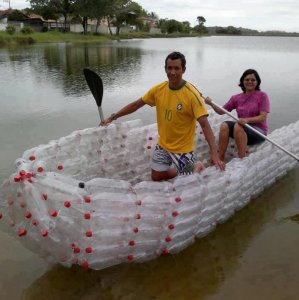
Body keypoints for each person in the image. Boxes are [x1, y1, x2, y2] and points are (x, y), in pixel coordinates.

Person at [100, 51, 225, 181]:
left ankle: (196, 166)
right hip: (163, 145)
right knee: (156, 177)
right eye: (169, 68)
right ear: (165, 68)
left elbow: (205, 125)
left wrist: (214, 153)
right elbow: (136, 105)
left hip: (183, 149)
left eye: (177, 68)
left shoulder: (192, 95)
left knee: (188, 183)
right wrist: (113, 117)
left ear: (184, 70)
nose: (172, 72)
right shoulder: (159, 90)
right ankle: (182, 169)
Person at [205, 69, 270, 161]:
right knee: (224, 125)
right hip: (241, 128)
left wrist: (247, 120)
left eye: (253, 80)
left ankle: (241, 160)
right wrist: (211, 103)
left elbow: (262, 117)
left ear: (257, 82)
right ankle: (220, 158)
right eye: (247, 80)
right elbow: (221, 111)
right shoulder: (236, 98)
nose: (250, 82)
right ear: (242, 81)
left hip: (258, 132)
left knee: (238, 126)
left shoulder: (262, 96)